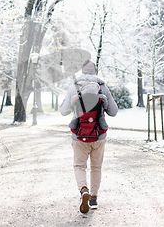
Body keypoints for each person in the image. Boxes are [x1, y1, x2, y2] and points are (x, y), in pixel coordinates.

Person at [60, 60, 118, 213]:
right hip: (99, 135)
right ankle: (93, 198)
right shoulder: (103, 86)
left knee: (79, 166)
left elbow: (63, 111)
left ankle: (83, 190)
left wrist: (73, 103)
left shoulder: (74, 86)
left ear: (82, 71)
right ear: (95, 71)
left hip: (79, 136)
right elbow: (113, 111)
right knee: (96, 167)